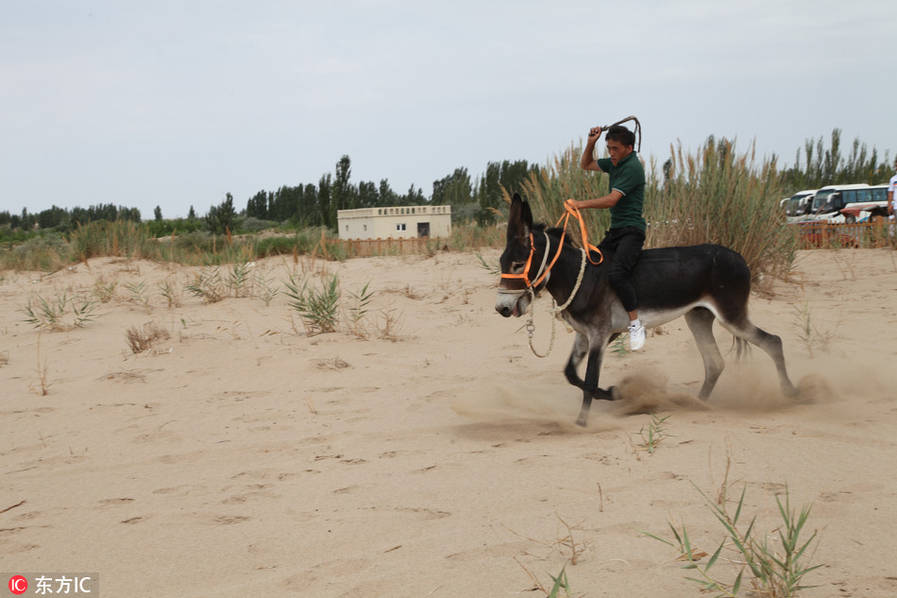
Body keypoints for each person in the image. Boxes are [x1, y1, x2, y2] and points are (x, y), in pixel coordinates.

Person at [567, 124, 647, 350]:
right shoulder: (614, 164)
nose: (611, 153)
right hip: (616, 231)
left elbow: (612, 200)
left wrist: (580, 205)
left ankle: (635, 324)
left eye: (615, 148)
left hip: (632, 231)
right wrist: (591, 142)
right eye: (608, 148)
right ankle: (603, 316)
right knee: (594, 267)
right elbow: (586, 164)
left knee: (618, 273)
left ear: (629, 148)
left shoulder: (632, 168)